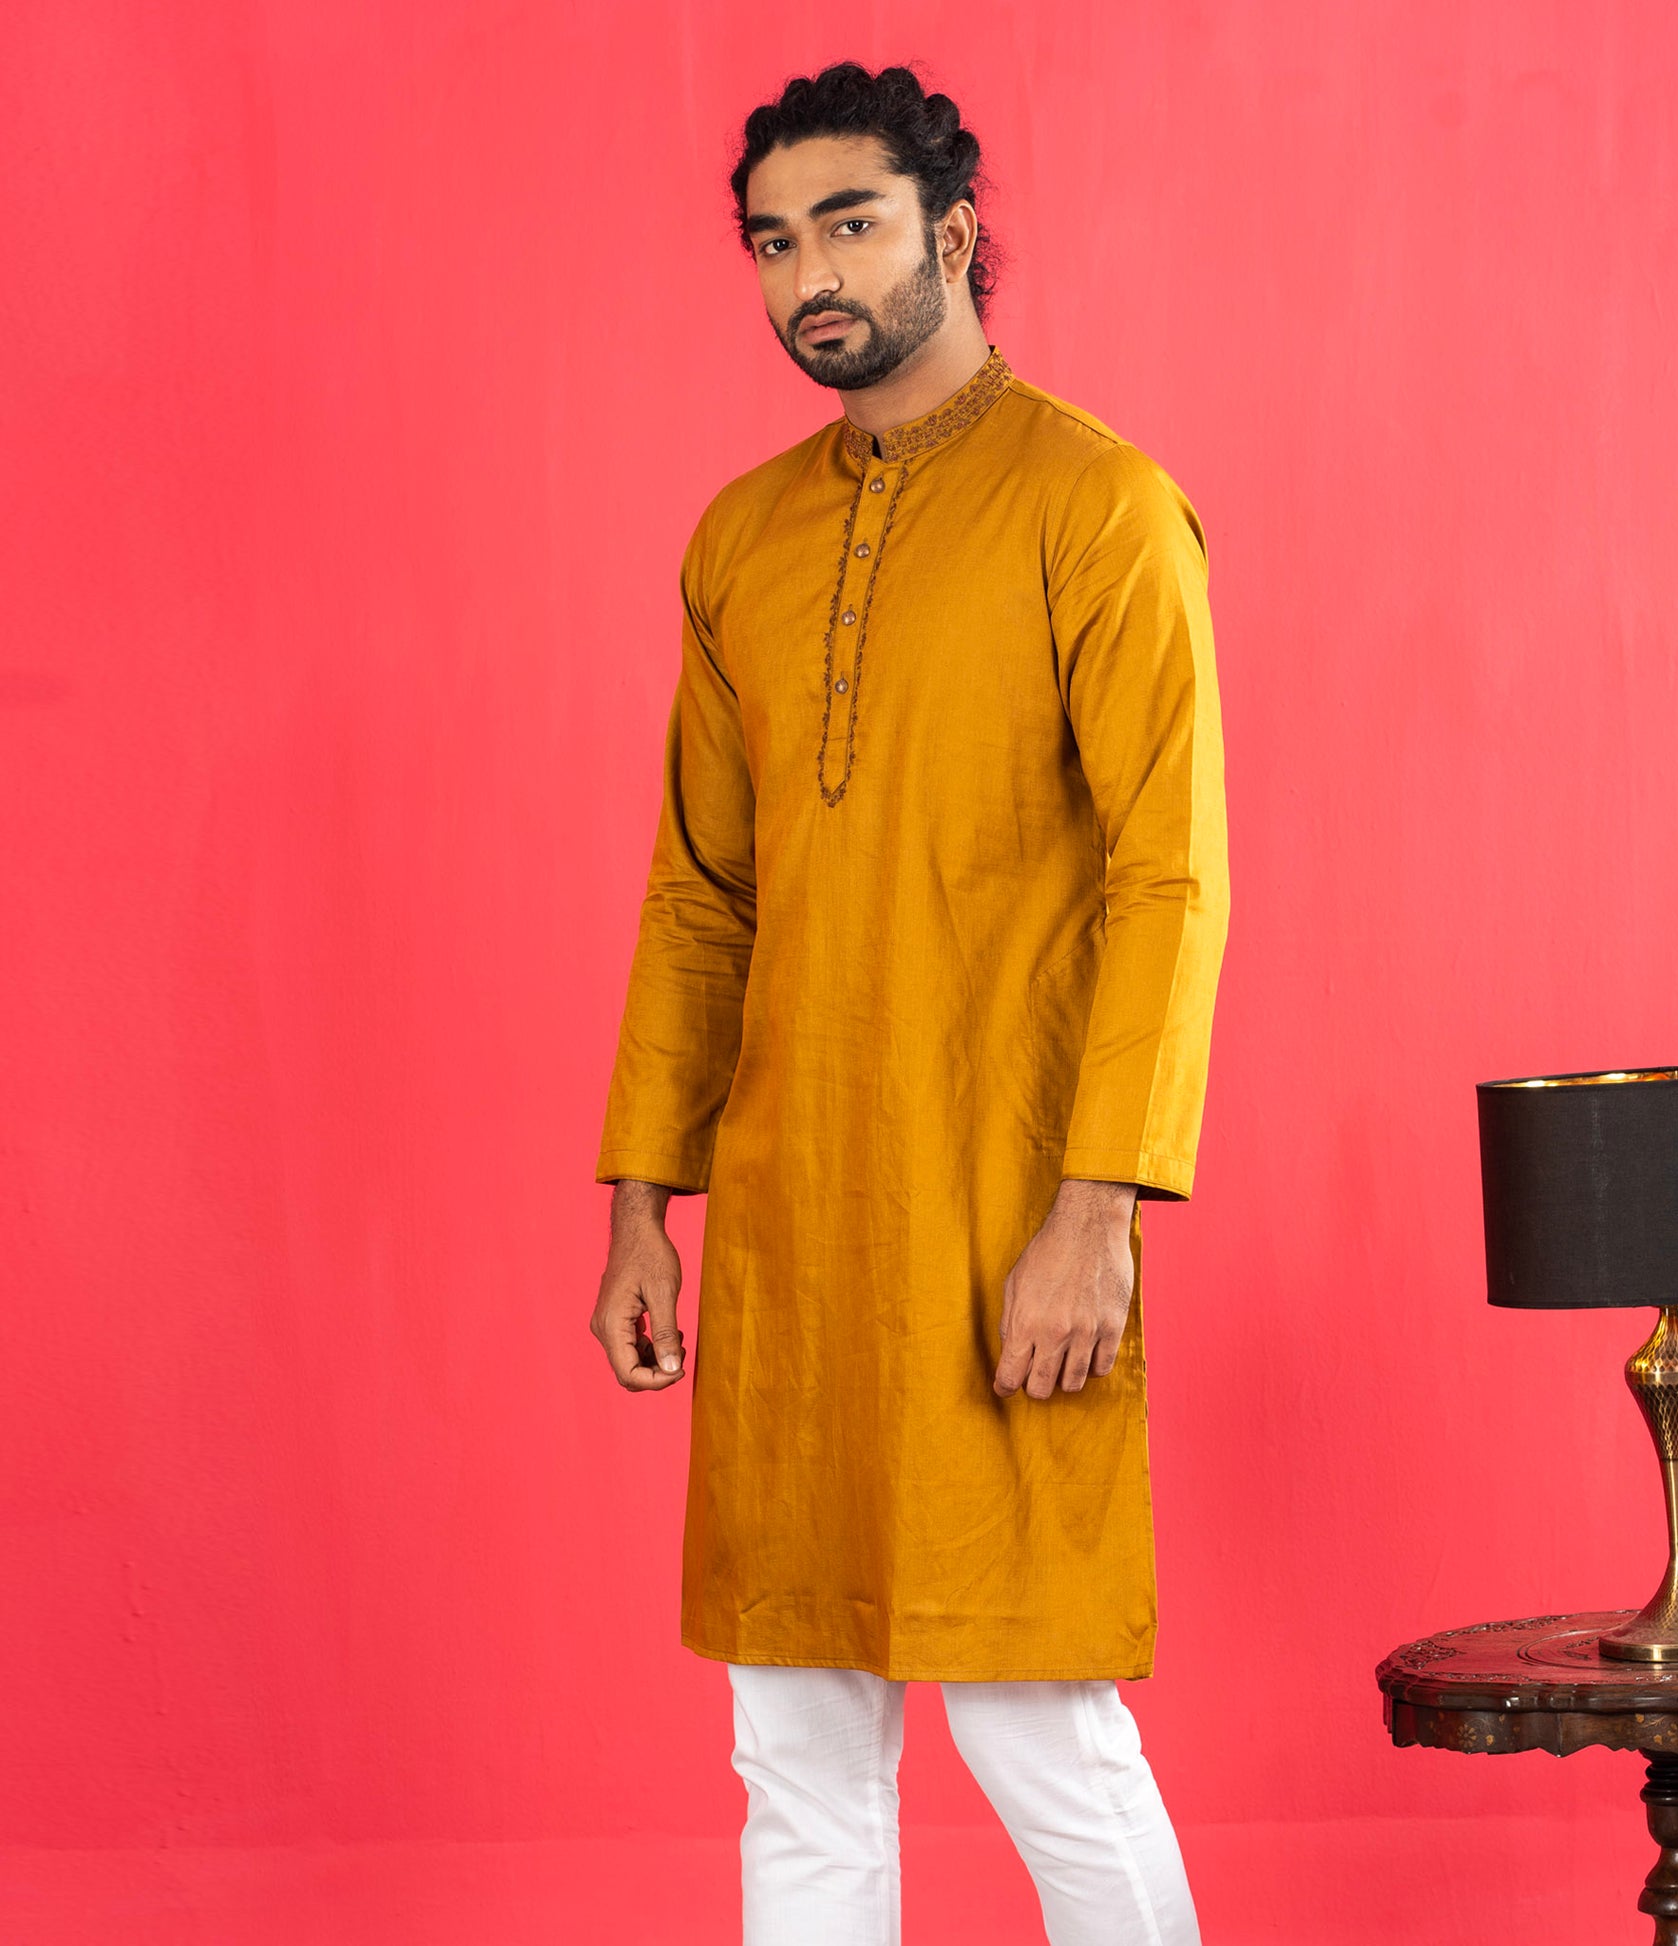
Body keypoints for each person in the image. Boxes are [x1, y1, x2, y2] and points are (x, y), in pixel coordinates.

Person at [588, 60, 1229, 1946]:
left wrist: (1097, 1214)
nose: (810, 276)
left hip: (1001, 1210)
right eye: (773, 242)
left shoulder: (1099, 507)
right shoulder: (740, 540)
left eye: (849, 225)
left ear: (952, 234)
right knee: (791, 1745)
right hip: (794, 1233)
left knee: (1042, 1728)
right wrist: (641, 1200)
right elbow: (702, 890)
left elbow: (1169, 881)